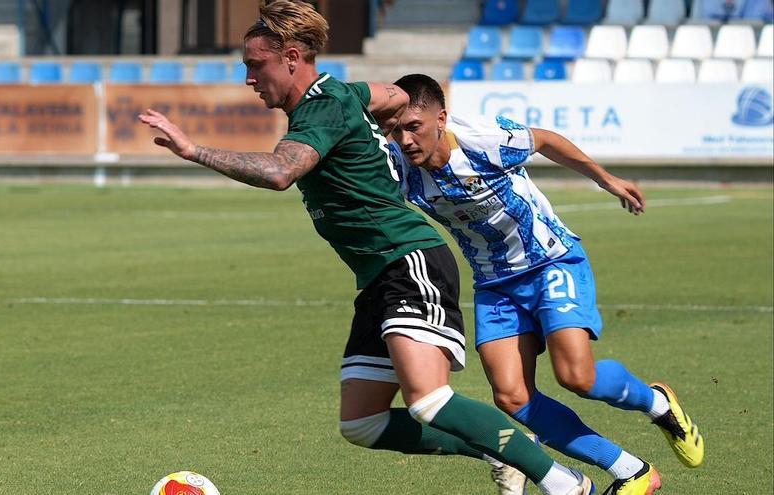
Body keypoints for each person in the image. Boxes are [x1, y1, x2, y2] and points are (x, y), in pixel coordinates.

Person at [138, 2, 594, 494]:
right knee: (363, 423)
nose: (249, 77)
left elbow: (280, 172)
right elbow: (396, 95)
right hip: (378, 276)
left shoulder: (322, 108)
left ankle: (563, 482)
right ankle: (502, 447)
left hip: (409, 261)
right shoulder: (342, 93)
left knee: (429, 400)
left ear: (291, 57)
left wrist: (194, 150)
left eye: (255, 64)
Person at [383, 73, 705, 495]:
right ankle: (631, 470)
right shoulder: (398, 166)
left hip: (550, 262)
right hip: (494, 284)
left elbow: (547, 141)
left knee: (577, 377)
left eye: (414, 127)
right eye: (397, 129)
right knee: (512, 397)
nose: (405, 140)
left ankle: (657, 403)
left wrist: (605, 179)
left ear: (441, 119)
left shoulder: (482, 140)